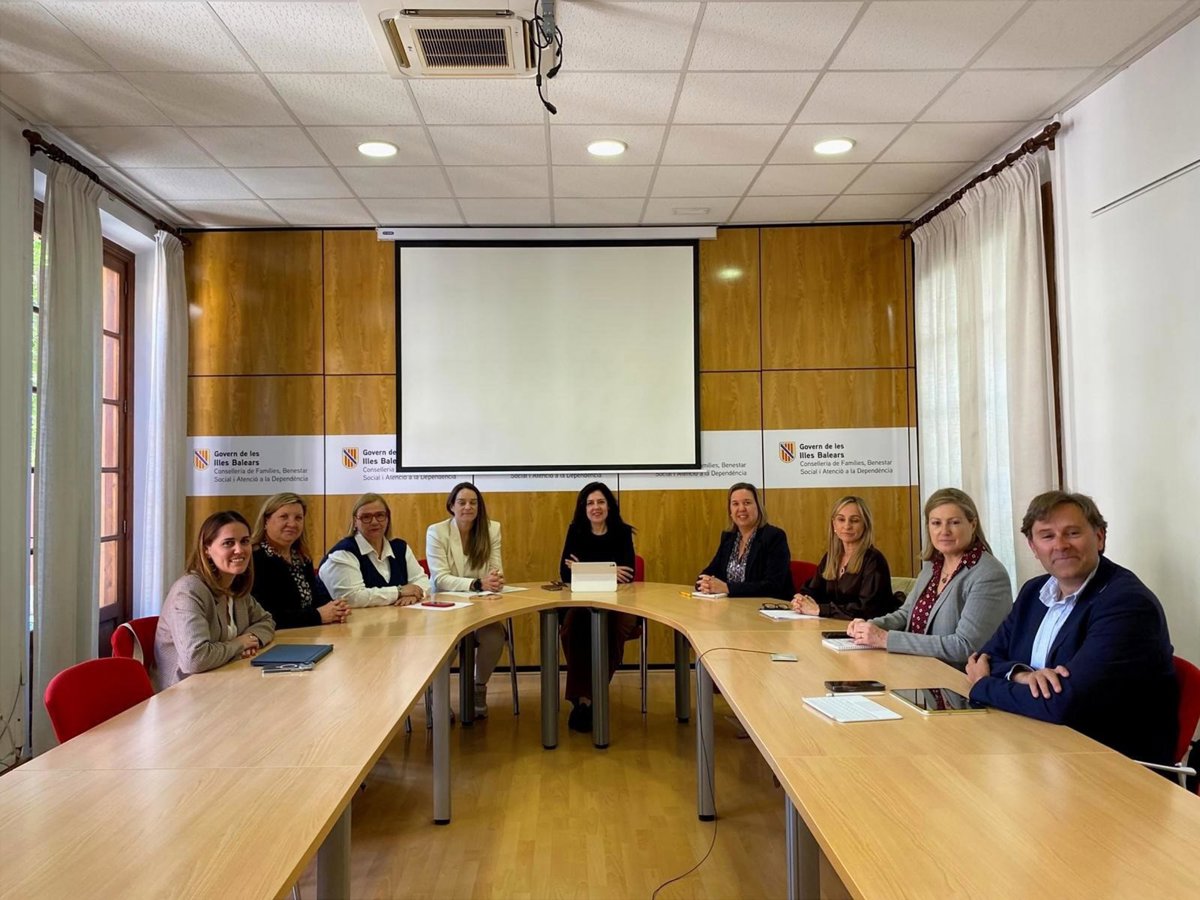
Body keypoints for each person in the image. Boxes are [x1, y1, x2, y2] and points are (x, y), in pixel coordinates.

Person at [966, 491, 1178, 764]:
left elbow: (1062, 704)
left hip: (1108, 764)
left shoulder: (1127, 604)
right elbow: (984, 658)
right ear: (1033, 547)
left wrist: (983, 685)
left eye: (1073, 533)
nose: (1061, 545)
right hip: (1037, 744)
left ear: (1099, 537)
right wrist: (1022, 676)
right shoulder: (1034, 592)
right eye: (1047, 536)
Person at [846, 488, 1011, 668]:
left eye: (954, 522)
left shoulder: (989, 575)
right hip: (918, 670)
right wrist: (869, 627)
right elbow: (905, 614)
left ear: (972, 524)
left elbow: (965, 647)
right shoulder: (933, 566)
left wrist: (885, 639)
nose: (944, 531)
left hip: (957, 678)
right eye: (936, 523)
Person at [154, 510, 276, 691]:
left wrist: (252, 638)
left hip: (226, 681)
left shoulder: (235, 586)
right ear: (207, 549)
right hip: (184, 693)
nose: (239, 550)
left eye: (245, 541)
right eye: (228, 543)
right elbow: (195, 659)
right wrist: (239, 644)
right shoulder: (189, 591)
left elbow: (266, 620)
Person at [558, 481, 641, 733]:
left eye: (601, 502)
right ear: (583, 508)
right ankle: (586, 699)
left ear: (609, 506)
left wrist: (583, 568)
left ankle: (587, 699)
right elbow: (565, 573)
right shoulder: (576, 531)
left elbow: (628, 573)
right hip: (582, 601)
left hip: (619, 602)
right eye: (590, 503)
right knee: (571, 628)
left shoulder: (622, 532)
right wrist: (609, 570)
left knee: (611, 630)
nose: (596, 507)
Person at [426, 482, 507, 718]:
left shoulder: (491, 529)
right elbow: (440, 579)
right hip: (445, 608)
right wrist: (477, 583)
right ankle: (437, 695)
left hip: (480, 607)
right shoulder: (437, 532)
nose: (468, 507)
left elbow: (496, 570)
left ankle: (478, 688)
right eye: (462, 502)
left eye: (473, 503)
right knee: (447, 645)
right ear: (451, 506)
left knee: (495, 637)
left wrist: (494, 580)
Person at [791, 495, 900, 620]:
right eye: (841, 519)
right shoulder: (831, 557)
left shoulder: (874, 560)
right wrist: (801, 600)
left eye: (854, 520)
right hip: (831, 625)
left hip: (864, 628)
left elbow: (867, 610)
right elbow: (812, 590)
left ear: (865, 525)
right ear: (834, 524)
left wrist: (820, 609)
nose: (847, 526)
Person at [251, 492, 349, 629]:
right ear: (266, 521)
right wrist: (318, 616)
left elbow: (314, 601)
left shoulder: (302, 558)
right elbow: (266, 616)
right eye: (284, 517)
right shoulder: (254, 559)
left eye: (298, 518)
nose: (292, 524)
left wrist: (336, 609)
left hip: (308, 634)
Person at [319, 493, 430, 608]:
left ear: (388, 519)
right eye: (366, 517)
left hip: (390, 617)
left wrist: (414, 595)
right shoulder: (343, 553)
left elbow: (422, 580)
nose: (374, 522)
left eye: (380, 515)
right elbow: (352, 598)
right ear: (355, 521)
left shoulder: (400, 548)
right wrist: (399, 592)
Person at [697, 482, 793, 600]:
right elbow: (708, 573)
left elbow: (773, 586)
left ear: (758, 507)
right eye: (735, 504)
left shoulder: (774, 537)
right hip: (731, 606)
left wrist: (727, 588)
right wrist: (705, 583)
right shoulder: (728, 538)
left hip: (766, 607)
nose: (741, 509)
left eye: (747, 503)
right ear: (730, 511)